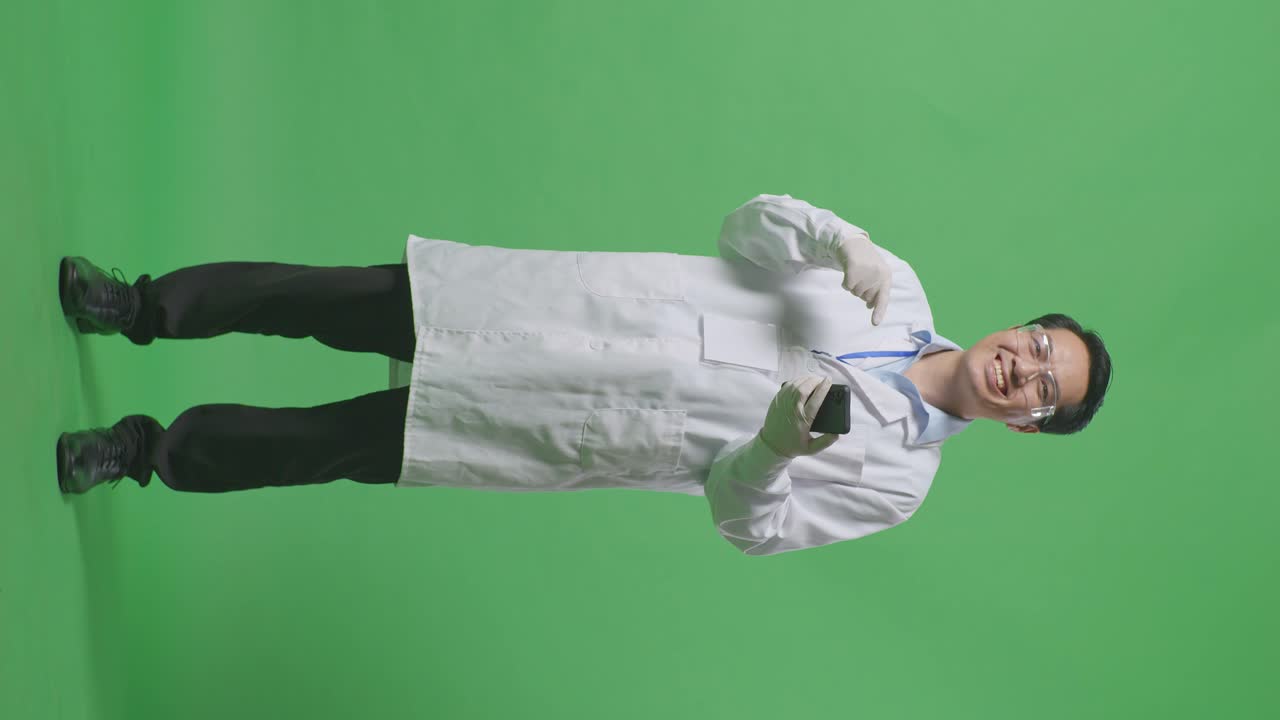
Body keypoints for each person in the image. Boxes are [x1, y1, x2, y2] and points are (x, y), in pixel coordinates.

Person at [56, 194, 1112, 556]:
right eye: (1033, 345)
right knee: (320, 297)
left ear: (1027, 424)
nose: (1021, 370)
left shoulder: (898, 486)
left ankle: (140, 454)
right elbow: (743, 232)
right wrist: (843, 240)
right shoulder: (889, 286)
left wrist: (771, 454)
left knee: (326, 445)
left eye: (1041, 389)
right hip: (559, 308)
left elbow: (750, 526)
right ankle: (142, 306)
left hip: (583, 423)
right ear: (1017, 328)